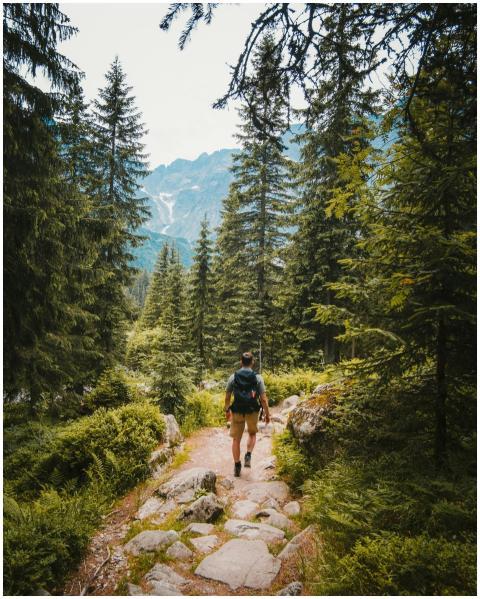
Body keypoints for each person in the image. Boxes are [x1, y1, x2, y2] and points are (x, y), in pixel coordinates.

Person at [224, 351, 270, 477]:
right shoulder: (258, 378)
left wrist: (227, 410)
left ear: (241, 361)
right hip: (252, 410)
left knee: (236, 439)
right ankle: (248, 455)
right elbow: (263, 399)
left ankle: (237, 465)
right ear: (252, 362)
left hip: (237, 410)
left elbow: (227, 397)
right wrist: (267, 414)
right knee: (252, 433)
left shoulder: (233, 377)